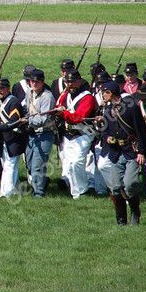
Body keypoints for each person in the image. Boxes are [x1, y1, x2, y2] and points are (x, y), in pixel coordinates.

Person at [96, 81, 146, 225]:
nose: (102, 95)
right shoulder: (107, 110)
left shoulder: (131, 108)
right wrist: (107, 137)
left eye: (104, 92)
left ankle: (135, 211)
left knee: (130, 184)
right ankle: (121, 221)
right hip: (116, 153)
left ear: (111, 93)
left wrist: (141, 152)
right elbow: (104, 130)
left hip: (131, 152)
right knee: (115, 188)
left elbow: (141, 130)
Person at [56, 70, 97, 199]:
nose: (70, 84)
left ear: (79, 81)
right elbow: (58, 104)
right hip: (68, 134)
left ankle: (83, 189)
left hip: (83, 134)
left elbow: (78, 117)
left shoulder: (88, 97)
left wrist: (63, 113)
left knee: (77, 162)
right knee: (69, 164)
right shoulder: (66, 94)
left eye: (72, 82)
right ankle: (75, 191)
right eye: (67, 82)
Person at [0, 78, 27, 198]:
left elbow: (13, 122)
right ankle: (15, 189)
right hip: (3, 138)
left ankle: (6, 193)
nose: (0, 91)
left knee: (9, 166)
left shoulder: (14, 102)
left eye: (3, 88)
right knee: (6, 164)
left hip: (14, 138)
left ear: (8, 89)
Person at [22, 69, 56, 197]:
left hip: (45, 133)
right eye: (32, 81)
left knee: (38, 165)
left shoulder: (47, 96)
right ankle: (43, 181)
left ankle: (39, 193)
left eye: (37, 81)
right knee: (30, 164)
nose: (34, 84)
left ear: (42, 82)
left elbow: (44, 119)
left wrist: (27, 121)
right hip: (32, 133)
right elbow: (27, 109)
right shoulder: (28, 93)